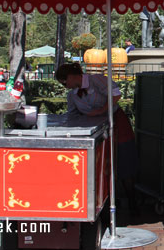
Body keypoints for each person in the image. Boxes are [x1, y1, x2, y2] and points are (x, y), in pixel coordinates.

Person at [55, 63, 139, 214]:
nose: (64, 84)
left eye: (64, 80)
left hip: (116, 123)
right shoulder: (72, 95)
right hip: (96, 130)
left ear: (72, 76)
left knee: (124, 161)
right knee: (102, 165)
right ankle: (106, 202)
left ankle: (133, 203)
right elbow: (72, 115)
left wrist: (101, 111)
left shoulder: (97, 80)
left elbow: (116, 94)